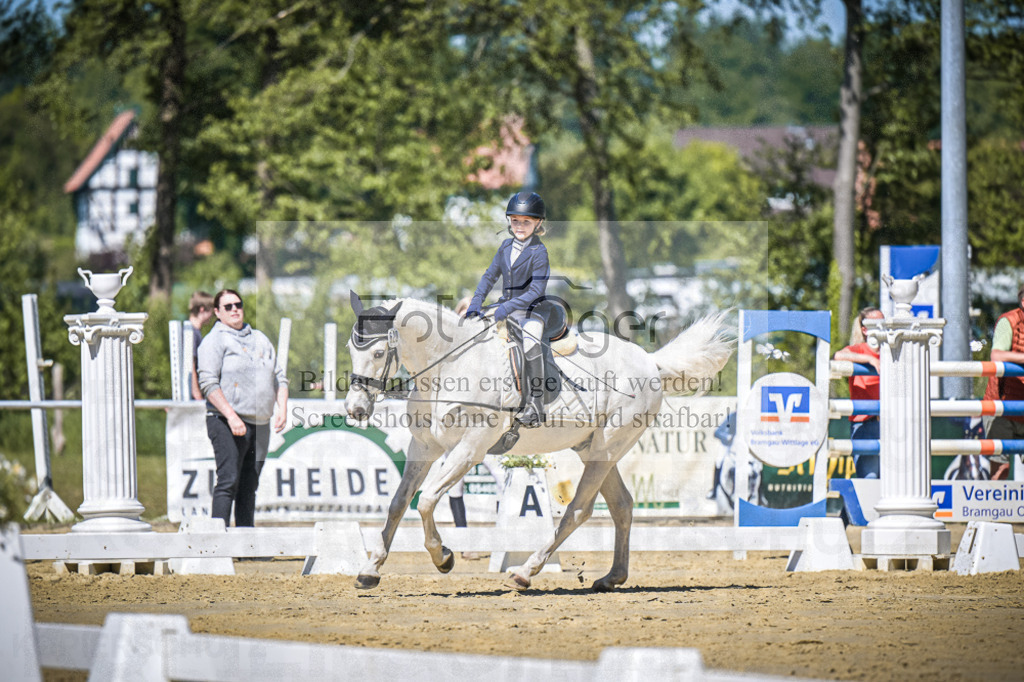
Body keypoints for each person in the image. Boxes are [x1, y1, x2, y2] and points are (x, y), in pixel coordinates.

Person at [198, 289, 289, 527]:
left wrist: (283, 408)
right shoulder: (214, 341)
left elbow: (279, 376)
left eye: (237, 304)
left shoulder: (260, 338)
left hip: (260, 422)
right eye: (227, 306)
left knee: (250, 483)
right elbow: (208, 383)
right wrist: (231, 416)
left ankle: (246, 544)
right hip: (225, 420)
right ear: (217, 312)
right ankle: (216, 543)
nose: (235, 309)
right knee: (228, 480)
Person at [464, 191, 551, 427]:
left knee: (531, 342)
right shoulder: (504, 246)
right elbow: (489, 276)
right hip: (505, 307)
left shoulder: (539, 252)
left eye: (526, 222)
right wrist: (475, 303)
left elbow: (536, 291)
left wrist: (508, 308)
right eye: (515, 221)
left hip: (532, 311)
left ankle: (536, 405)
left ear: (538, 223)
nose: (519, 226)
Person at [833, 306, 885, 478]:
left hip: (890, 423)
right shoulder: (860, 349)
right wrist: (869, 359)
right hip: (865, 424)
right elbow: (839, 356)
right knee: (870, 481)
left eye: (883, 322)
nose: (882, 326)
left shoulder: (890, 351)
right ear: (865, 330)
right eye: (876, 323)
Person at [982, 285, 1024, 480]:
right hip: (1002, 406)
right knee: (1000, 470)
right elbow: (995, 355)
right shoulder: (1009, 321)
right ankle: (993, 510)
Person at [188, 291, 215, 400]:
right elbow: (190, 364)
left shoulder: (196, 332)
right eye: (211, 311)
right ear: (202, 309)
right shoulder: (191, 332)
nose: (212, 315)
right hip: (192, 395)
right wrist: (197, 393)